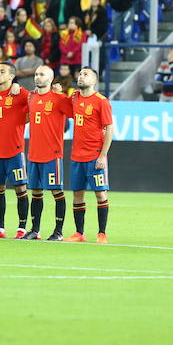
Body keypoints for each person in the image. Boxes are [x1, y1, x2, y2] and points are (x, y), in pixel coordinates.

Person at [0, 61, 30, 239]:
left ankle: (22, 229)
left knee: (20, 189)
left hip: (15, 150)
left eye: (3, 71)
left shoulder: (20, 93)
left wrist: (18, 85)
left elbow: (36, 101)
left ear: (11, 76)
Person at [24, 65, 73, 241]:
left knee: (56, 192)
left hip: (52, 154)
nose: (37, 77)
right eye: (36, 74)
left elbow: (78, 115)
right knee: (36, 192)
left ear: (51, 78)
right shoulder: (31, 97)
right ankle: (35, 230)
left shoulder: (59, 98)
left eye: (42, 74)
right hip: (34, 154)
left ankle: (58, 232)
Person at [65, 67, 113, 243]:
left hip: (94, 156)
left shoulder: (101, 101)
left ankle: (102, 233)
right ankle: (79, 233)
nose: (81, 76)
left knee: (100, 194)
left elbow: (109, 129)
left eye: (86, 74)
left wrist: (102, 156)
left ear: (94, 80)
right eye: (80, 74)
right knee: (78, 194)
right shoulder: (75, 98)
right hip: (77, 156)